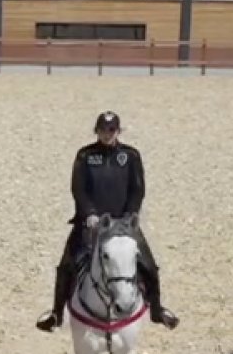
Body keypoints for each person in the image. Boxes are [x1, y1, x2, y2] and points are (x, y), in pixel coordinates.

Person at [35, 111, 179, 332]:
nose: (107, 134)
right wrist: (89, 213)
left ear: (118, 131)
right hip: (91, 223)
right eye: (102, 129)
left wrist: (132, 214)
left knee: (149, 265)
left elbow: (137, 189)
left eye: (111, 130)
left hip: (123, 223)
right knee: (66, 265)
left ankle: (157, 310)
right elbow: (78, 189)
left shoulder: (131, 156)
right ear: (97, 131)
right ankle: (56, 314)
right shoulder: (85, 155)